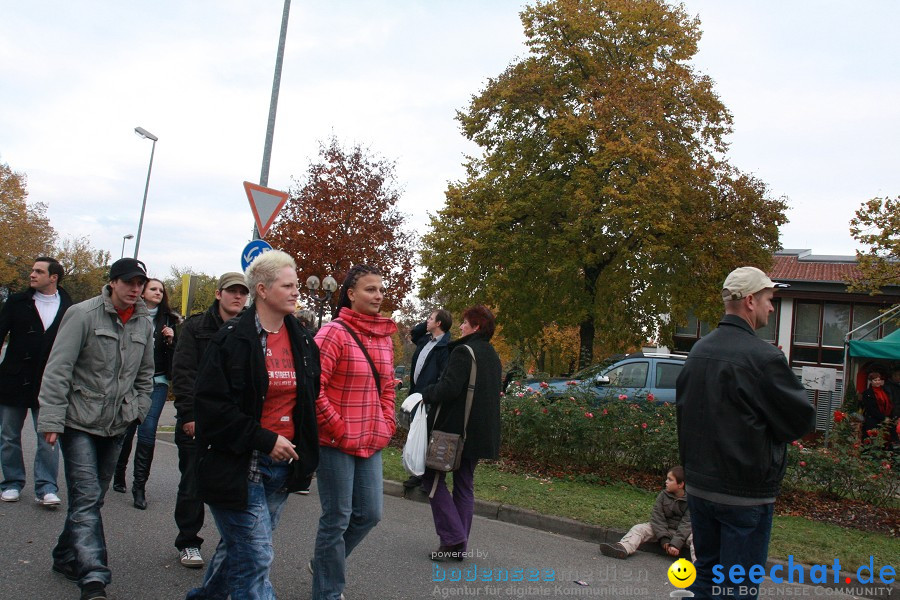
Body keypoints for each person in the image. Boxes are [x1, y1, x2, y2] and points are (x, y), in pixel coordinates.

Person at [185, 251, 319, 600]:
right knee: (256, 556)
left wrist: (304, 452)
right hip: (238, 463)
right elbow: (212, 407)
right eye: (287, 285)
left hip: (281, 466)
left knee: (240, 552)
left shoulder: (303, 339)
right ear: (262, 289)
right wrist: (262, 438)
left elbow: (308, 400)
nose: (295, 292)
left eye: (296, 285)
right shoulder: (231, 339)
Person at [676, 266, 815, 600]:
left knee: (707, 579)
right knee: (737, 587)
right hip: (744, 497)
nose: (771, 307)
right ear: (750, 301)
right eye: (769, 299)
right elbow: (800, 422)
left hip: (700, 491)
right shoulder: (765, 358)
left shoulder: (698, 351)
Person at [37, 257, 154, 600]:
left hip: (118, 423)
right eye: (129, 282)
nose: (135, 289)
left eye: (140, 284)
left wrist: (138, 411)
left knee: (91, 499)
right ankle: (94, 577)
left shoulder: (143, 322)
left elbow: (146, 375)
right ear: (113, 282)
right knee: (86, 497)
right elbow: (59, 369)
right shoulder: (83, 314)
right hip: (79, 420)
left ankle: (64, 555)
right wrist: (51, 420)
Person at [311, 264, 397, 600]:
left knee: (370, 514)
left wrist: (386, 422)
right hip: (336, 442)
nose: (378, 296)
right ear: (350, 293)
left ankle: (324, 564)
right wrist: (337, 427)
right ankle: (328, 592)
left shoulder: (385, 337)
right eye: (370, 289)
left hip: (371, 439)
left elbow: (387, 387)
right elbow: (312, 387)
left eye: (380, 290)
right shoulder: (333, 333)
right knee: (337, 518)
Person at [170, 271, 249, 568]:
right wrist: (189, 415)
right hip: (199, 420)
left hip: (233, 421)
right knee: (193, 481)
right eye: (232, 291)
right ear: (219, 294)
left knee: (234, 484)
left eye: (242, 292)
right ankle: (188, 541)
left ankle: (232, 545)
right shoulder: (196, 328)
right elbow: (184, 372)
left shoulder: (251, 327)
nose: (238, 297)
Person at [421, 304, 502, 561]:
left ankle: (453, 537)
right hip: (479, 434)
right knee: (464, 484)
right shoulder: (492, 355)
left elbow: (448, 389)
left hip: (454, 432)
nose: (461, 326)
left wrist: (425, 392)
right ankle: (459, 545)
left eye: (465, 322)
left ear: (476, 327)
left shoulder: (463, 351)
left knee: (431, 478)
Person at [0, 257, 72, 506]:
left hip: (49, 382)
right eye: (32, 270)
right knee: (8, 435)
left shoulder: (68, 306)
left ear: (53, 277)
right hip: (12, 379)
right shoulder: (17, 302)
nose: (32, 274)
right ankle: (11, 482)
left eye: (38, 271)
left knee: (48, 437)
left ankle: (46, 487)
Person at [112, 278, 178, 509]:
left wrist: (172, 339)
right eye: (153, 289)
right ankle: (119, 473)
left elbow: (177, 354)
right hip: (131, 382)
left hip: (157, 382)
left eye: (161, 290)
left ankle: (139, 487)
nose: (158, 292)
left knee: (148, 431)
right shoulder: (131, 315)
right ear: (143, 292)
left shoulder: (170, 320)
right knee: (127, 429)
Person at [599, 466, 694, 561]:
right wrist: (664, 539)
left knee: (697, 539)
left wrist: (676, 544)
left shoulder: (691, 501)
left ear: (680, 484)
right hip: (662, 530)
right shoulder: (663, 495)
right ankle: (622, 547)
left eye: (670, 479)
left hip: (682, 533)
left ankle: (700, 565)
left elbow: (687, 524)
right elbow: (657, 517)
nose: (666, 481)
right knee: (639, 528)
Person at [403, 308, 452, 490]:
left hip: (428, 398)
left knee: (429, 436)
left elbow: (443, 375)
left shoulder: (445, 347)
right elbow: (415, 333)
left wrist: (431, 395)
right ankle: (416, 473)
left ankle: (428, 478)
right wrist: (428, 324)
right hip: (416, 395)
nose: (427, 321)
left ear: (439, 323)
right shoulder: (425, 340)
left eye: (430, 319)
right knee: (416, 434)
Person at [860, 370, 898, 448]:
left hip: (885, 420)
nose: (877, 382)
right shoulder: (867, 393)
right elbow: (870, 409)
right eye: (875, 380)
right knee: (872, 441)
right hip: (873, 421)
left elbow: (889, 405)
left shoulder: (885, 391)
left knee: (885, 441)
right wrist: (883, 418)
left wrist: (890, 417)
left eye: (879, 380)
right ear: (871, 381)